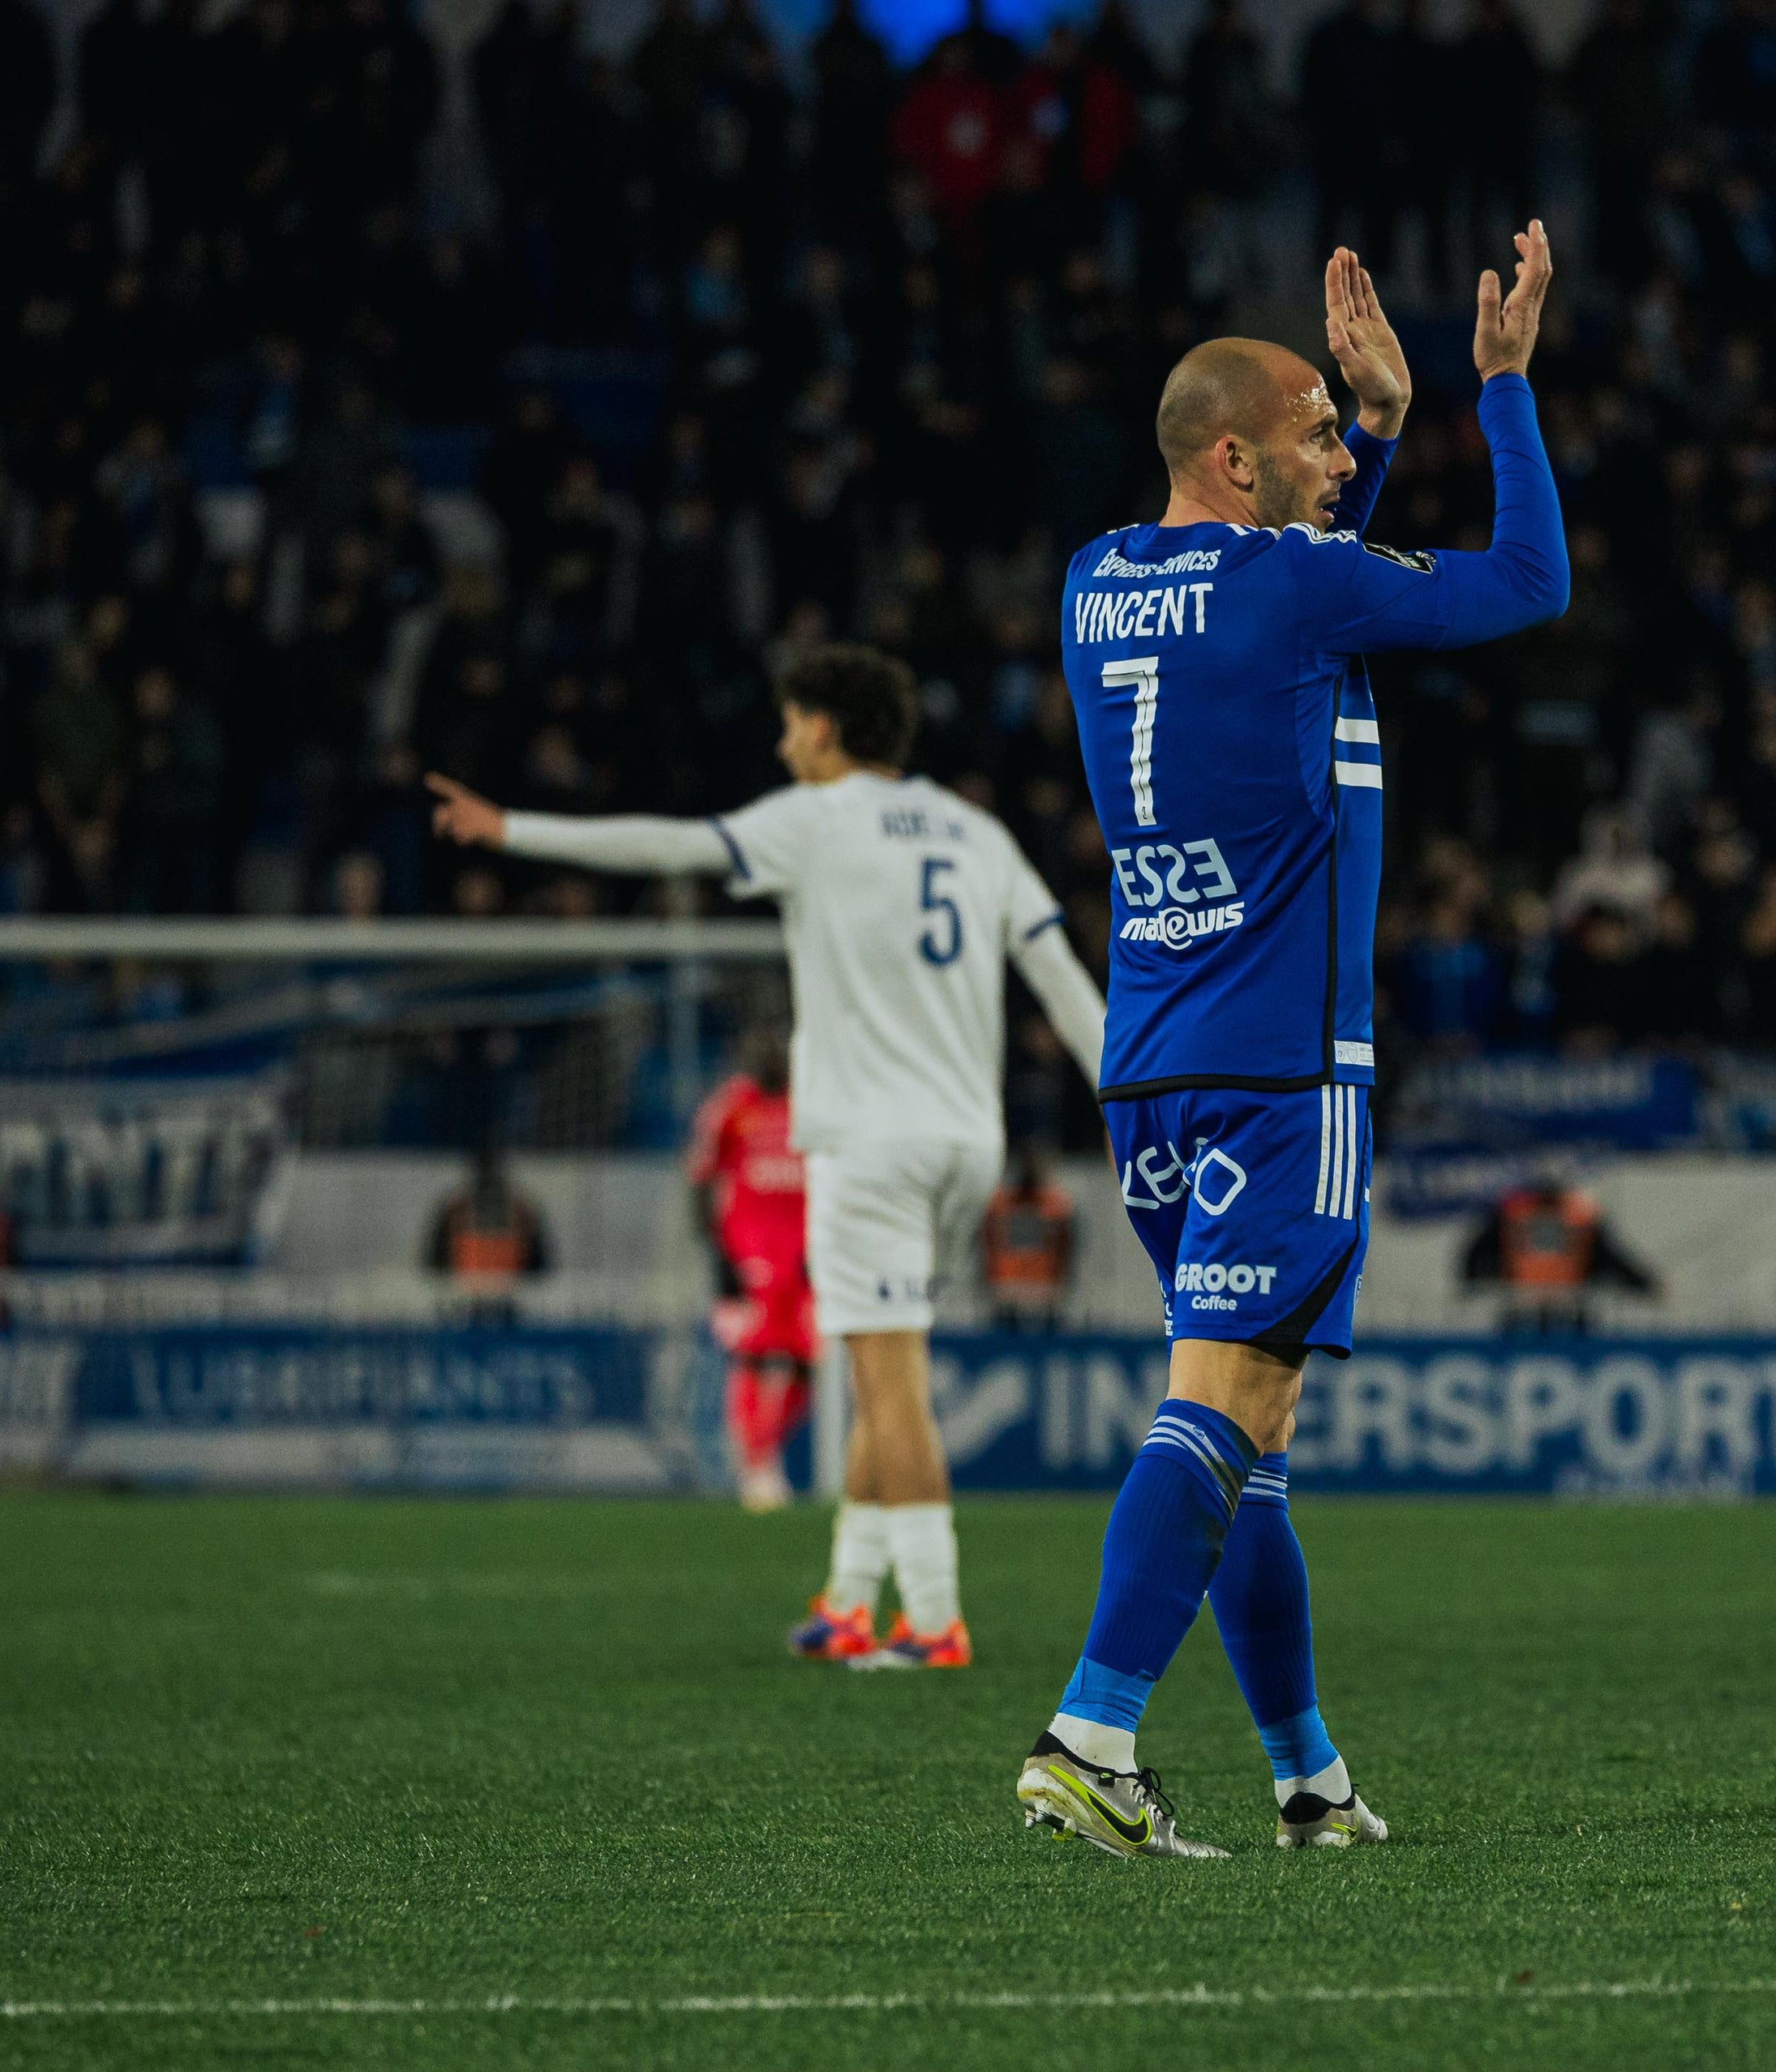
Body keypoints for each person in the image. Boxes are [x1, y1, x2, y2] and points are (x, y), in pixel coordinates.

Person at [1017, 227, 1565, 1857]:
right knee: (1230, 1395)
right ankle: (1090, 1726)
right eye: (1324, 430)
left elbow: (1282, 612)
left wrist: (1382, 443)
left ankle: (1309, 1779)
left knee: (1254, 1429)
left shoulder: (1102, 576)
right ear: (1240, 455)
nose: (1346, 448)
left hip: (1155, 1060)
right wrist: (1501, 393)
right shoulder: (1292, 586)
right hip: (1282, 1066)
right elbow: (1523, 584)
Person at [427, 643, 1107, 1673]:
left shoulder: (816, 820)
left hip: (869, 1146)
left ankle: (932, 1620)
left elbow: (669, 845)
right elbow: (1059, 979)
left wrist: (511, 826)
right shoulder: (978, 832)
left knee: (890, 1378)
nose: (784, 742)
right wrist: (1134, 1100)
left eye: (792, 723)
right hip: (968, 1143)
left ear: (828, 728)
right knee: (883, 1368)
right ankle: (847, 1598)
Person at [689, 1027, 815, 1511]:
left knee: (808, 1366)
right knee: (751, 1359)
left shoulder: (811, 1107)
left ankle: (763, 1451)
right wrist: (719, 1256)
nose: (768, 1058)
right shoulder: (731, 1108)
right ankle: (757, 1466)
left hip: (806, 1260)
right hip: (749, 1258)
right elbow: (700, 1181)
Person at [1460, 1162, 1658, 1334]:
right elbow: (1611, 1258)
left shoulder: (1515, 1212)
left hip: (1551, 1301)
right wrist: (1642, 1283)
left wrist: (1473, 1277)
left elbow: (1610, 1256)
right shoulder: (1578, 1214)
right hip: (1538, 1301)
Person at [425, 1144, 552, 1323]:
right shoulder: (455, 1210)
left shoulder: (522, 1212)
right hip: (463, 1301)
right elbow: (433, 1264)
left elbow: (541, 1267)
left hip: (511, 1301)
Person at [981, 1143, 1078, 1331]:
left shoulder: (1057, 1205)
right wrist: (990, 1279)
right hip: (1008, 1284)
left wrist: (1062, 1280)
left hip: (1044, 1285)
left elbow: (1067, 1246)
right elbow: (987, 1242)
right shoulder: (1000, 1203)